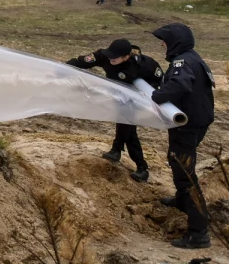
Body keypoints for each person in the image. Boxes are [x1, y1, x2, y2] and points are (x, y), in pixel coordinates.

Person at [151, 23, 215, 249]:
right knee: (176, 161)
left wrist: (157, 96)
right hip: (193, 122)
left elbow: (179, 84)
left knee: (185, 176)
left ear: (175, 43)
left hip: (188, 125)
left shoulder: (183, 62)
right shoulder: (191, 57)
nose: (162, 44)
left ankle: (199, 233)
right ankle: (181, 201)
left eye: (165, 41)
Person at [66, 38, 163, 182]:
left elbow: (159, 80)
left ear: (126, 57)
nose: (110, 58)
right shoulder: (104, 56)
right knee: (123, 122)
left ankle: (141, 167)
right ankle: (116, 150)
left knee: (128, 129)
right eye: (109, 54)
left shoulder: (143, 64)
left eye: (115, 57)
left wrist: (145, 94)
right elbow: (80, 62)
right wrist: (60, 68)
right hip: (118, 96)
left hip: (135, 99)